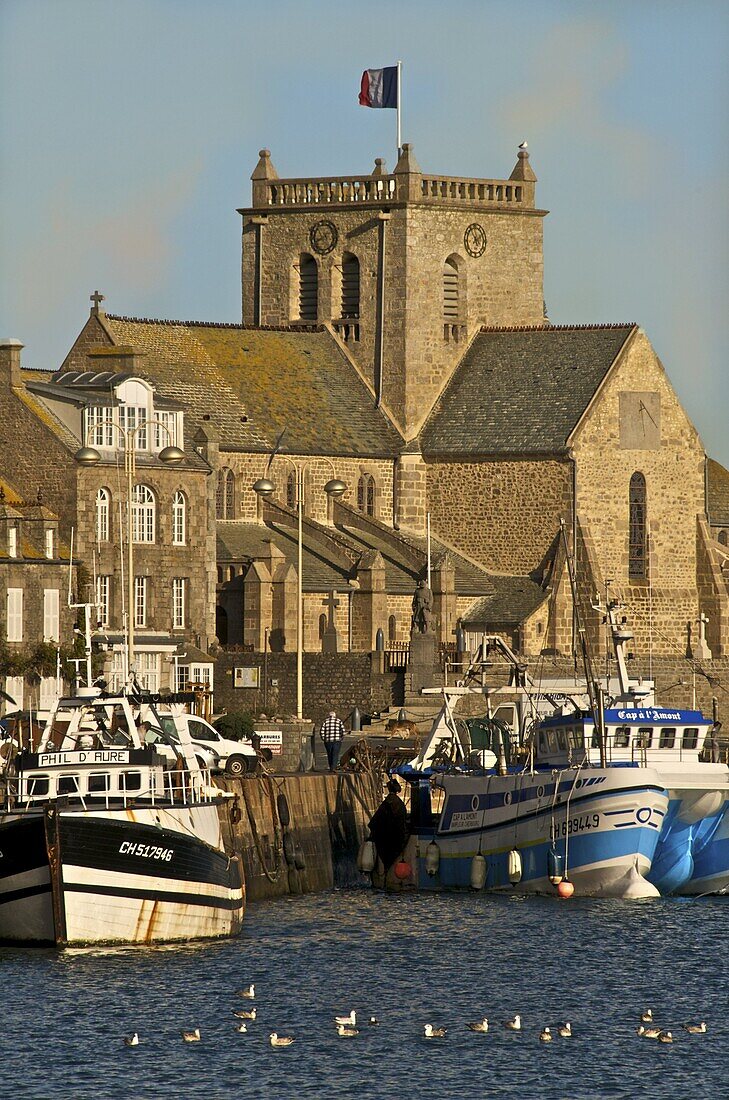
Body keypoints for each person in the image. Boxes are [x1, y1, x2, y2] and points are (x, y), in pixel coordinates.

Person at [368, 777, 409, 871]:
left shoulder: (387, 803)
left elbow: (375, 821)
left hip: (386, 839)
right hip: (397, 837)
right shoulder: (400, 804)